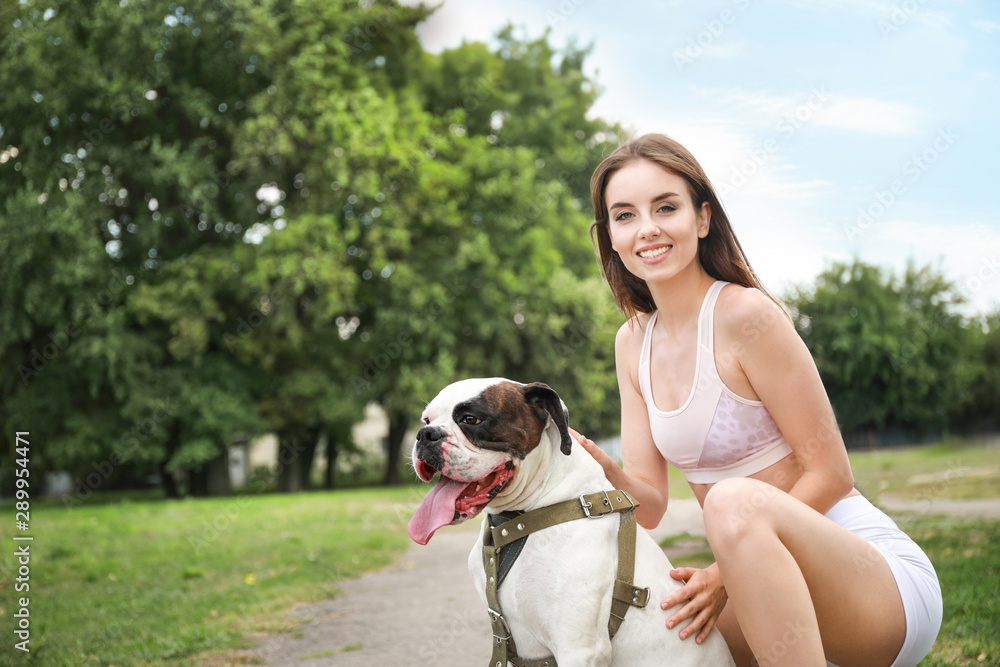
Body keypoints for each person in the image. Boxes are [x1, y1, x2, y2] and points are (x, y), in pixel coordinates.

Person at [570, 133, 942, 667]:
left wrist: (724, 573)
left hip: (875, 586)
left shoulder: (747, 316)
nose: (646, 228)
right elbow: (649, 505)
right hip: (762, 582)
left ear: (702, 218)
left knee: (729, 499)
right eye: (624, 215)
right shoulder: (632, 343)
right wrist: (606, 468)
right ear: (609, 234)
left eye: (665, 207)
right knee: (657, 638)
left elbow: (832, 472)